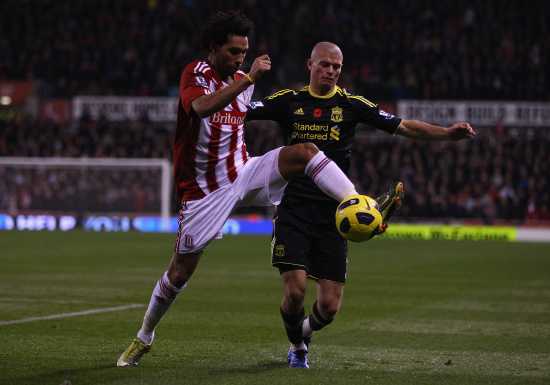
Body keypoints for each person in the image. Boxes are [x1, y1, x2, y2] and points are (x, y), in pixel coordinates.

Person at [117, 13, 369, 367]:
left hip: (244, 170)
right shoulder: (196, 74)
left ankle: (356, 202)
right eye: (234, 51)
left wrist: (245, 78)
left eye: (244, 52)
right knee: (179, 273)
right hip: (205, 191)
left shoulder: (242, 79)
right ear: (213, 47)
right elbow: (202, 108)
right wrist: (248, 77)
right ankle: (144, 337)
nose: (240, 58)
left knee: (307, 152)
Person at [245, 41, 476, 368]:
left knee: (329, 307)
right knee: (295, 291)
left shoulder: (351, 104)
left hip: (337, 213)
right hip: (294, 207)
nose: (331, 72)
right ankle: (297, 346)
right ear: (309, 64)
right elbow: (240, 111)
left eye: (337, 67)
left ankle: (304, 332)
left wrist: (447, 135)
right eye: (325, 65)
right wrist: (238, 83)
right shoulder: (288, 101)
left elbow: (404, 126)